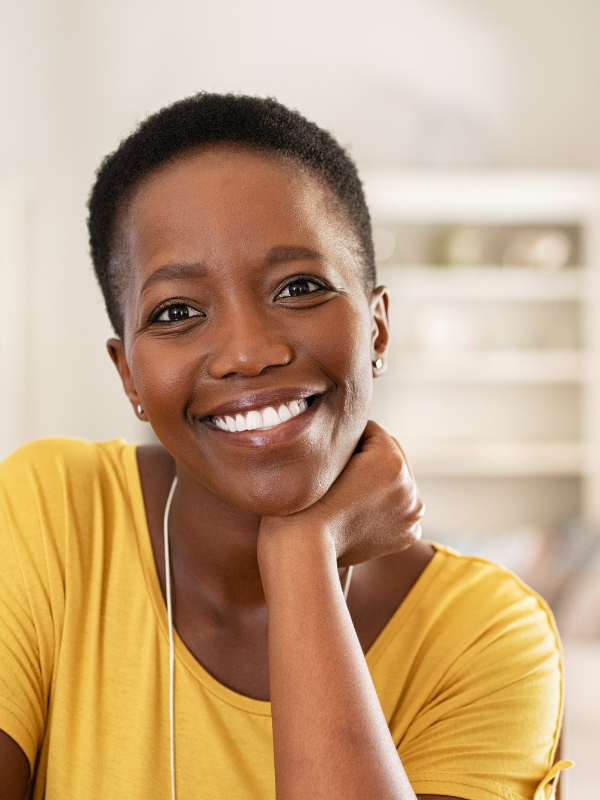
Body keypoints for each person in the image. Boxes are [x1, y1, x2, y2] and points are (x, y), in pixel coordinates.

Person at [0, 94, 569, 800]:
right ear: (128, 374)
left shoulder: (486, 637)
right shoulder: (49, 515)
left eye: (299, 287)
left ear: (379, 329)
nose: (247, 352)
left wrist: (301, 556)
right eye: (177, 311)